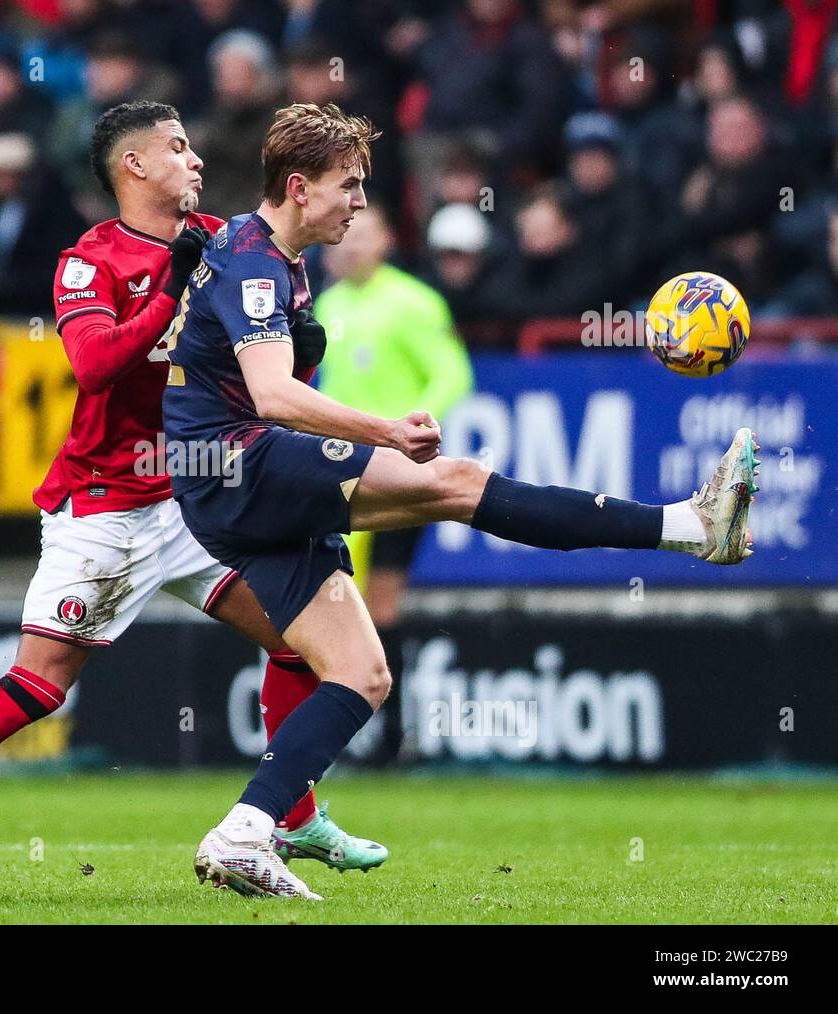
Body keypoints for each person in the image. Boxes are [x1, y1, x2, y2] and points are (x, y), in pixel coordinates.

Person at [163, 103, 760, 899]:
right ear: (299, 188)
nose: (361, 203)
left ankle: (244, 832)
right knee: (459, 484)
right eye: (349, 185)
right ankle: (688, 526)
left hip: (222, 480)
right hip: (238, 466)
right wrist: (384, 431)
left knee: (362, 674)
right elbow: (272, 395)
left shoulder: (265, 252)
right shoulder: (259, 264)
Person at [0, 101, 386, 899]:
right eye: (178, 147)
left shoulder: (227, 245)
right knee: (39, 685)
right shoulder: (89, 262)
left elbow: (261, 366)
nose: (196, 160)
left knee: (301, 639)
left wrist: (298, 343)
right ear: (135, 166)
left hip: (193, 496)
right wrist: (171, 292)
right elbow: (93, 365)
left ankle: (289, 819)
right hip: (108, 505)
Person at [315, 204, 473, 629]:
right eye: (347, 235)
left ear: (386, 241)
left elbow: (453, 374)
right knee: (335, 596)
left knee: (381, 603)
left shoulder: (414, 302)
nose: (352, 247)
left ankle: (388, 675)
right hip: (339, 467)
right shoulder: (327, 304)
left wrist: (412, 427)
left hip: (398, 468)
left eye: (364, 236)